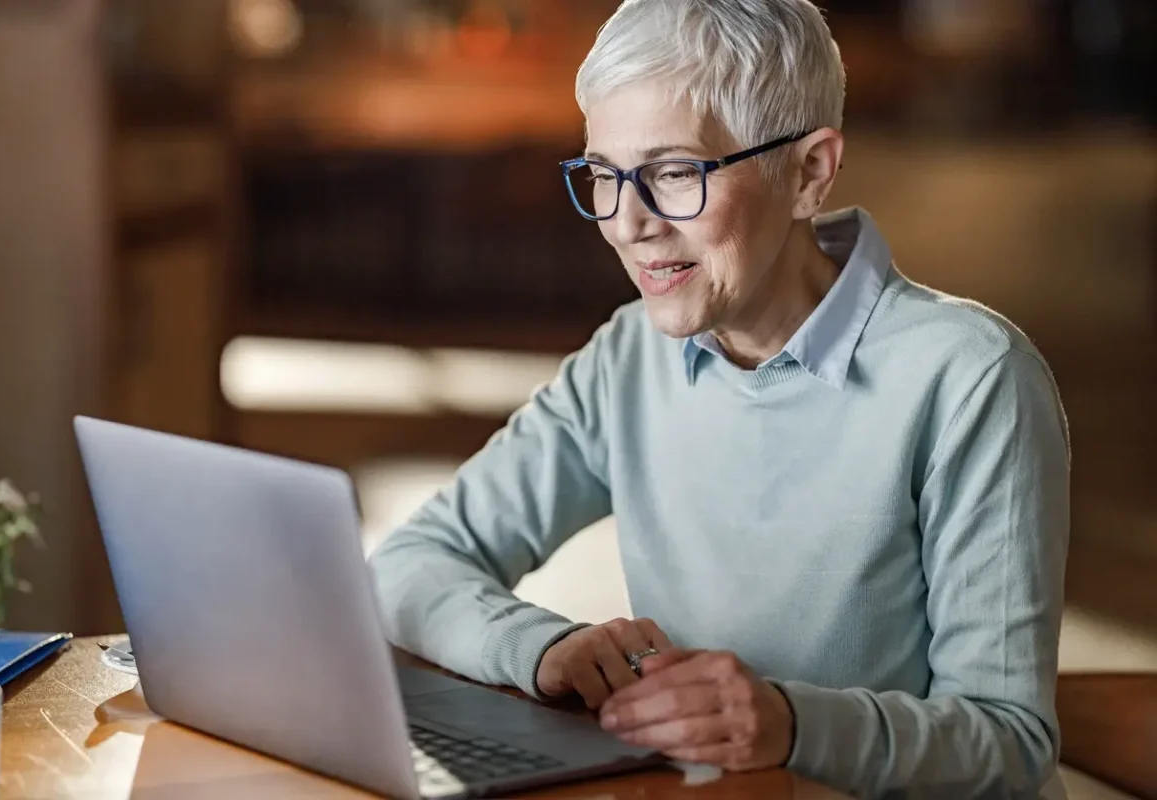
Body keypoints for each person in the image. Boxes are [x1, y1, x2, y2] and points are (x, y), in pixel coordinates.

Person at [368, 1, 1070, 797]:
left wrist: (791, 724)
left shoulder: (972, 377)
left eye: (674, 173)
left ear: (809, 172)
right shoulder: (629, 356)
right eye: (603, 175)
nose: (628, 223)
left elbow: (1011, 749)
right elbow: (408, 566)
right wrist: (539, 648)